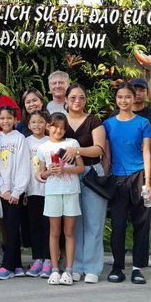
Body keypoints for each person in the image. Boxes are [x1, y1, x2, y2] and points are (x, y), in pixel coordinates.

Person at [104, 84, 151, 284]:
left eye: (128, 97)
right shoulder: (108, 124)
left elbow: (147, 152)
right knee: (117, 225)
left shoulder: (144, 123)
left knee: (141, 223)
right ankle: (117, 266)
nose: (124, 101)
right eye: (120, 97)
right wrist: (105, 176)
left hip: (140, 176)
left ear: (134, 99)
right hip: (117, 178)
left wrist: (148, 182)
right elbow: (107, 154)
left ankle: (137, 268)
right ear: (116, 99)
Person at [63, 84, 106, 283]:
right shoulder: (60, 121)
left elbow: (99, 149)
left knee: (94, 222)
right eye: (73, 97)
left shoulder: (93, 121)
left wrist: (77, 151)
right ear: (66, 99)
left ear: (85, 100)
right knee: (74, 223)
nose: (77, 101)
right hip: (68, 175)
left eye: (81, 97)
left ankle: (92, 268)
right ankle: (76, 266)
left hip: (92, 174)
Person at [36, 112, 84, 286]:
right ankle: (55, 270)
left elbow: (80, 168)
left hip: (71, 191)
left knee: (69, 232)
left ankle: (69, 271)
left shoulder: (72, 144)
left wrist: (65, 170)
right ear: (48, 126)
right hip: (52, 193)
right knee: (54, 232)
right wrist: (50, 171)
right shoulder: (43, 148)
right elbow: (41, 174)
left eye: (63, 128)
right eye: (55, 126)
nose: (59, 130)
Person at [0, 106, 30, 279]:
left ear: (15, 120)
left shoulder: (20, 138)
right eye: (2, 118)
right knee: (7, 226)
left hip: (16, 191)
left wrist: (16, 191)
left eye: (9, 118)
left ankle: (7, 266)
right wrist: (3, 189)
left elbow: (24, 166)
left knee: (14, 226)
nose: (6, 121)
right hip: (2, 191)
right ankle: (17, 265)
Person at [24, 110, 51, 278]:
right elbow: (23, 168)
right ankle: (37, 259)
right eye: (33, 122)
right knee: (34, 226)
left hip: (50, 191)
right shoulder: (25, 142)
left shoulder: (51, 141)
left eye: (41, 121)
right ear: (28, 125)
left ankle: (48, 259)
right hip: (32, 190)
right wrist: (25, 191)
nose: (37, 125)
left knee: (49, 226)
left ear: (47, 124)